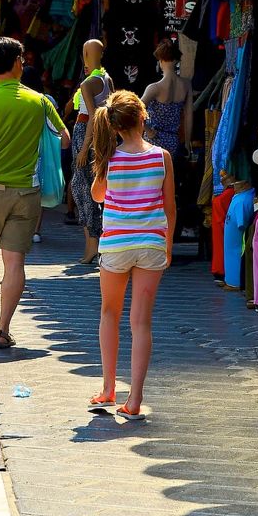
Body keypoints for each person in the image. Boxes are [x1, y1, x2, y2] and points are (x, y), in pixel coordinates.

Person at [0, 37, 68, 350]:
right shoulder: (40, 101)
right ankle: (3, 330)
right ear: (16, 62)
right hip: (27, 193)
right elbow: (62, 138)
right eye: (22, 59)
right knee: (14, 263)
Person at [89, 91, 176, 420]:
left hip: (115, 245)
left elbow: (98, 195)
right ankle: (135, 398)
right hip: (151, 243)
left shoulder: (111, 158)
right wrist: (166, 247)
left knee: (109, 314)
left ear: (113, 126)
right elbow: (170, 207)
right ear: (143, 117)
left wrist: (104, 165)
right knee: (141, 323)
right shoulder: (162, 157)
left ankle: (108, 387)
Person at [72, 39, 113, 265]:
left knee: (83, 191)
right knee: (92, 190)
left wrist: (84, 146)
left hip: (86, 134)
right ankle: (94, 244)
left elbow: (94, 115)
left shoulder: (88, 84)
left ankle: (92, 245)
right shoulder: (107, 79)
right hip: (100, 136)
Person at [141, 39, 192, 158]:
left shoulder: (155, 88)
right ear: (177, 60)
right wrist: (187, 144)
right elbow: (189, 117)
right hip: (173, 142)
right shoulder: (186, 85)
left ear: (160, 60)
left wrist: (147, 130)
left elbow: (133, 110)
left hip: (152, 141)